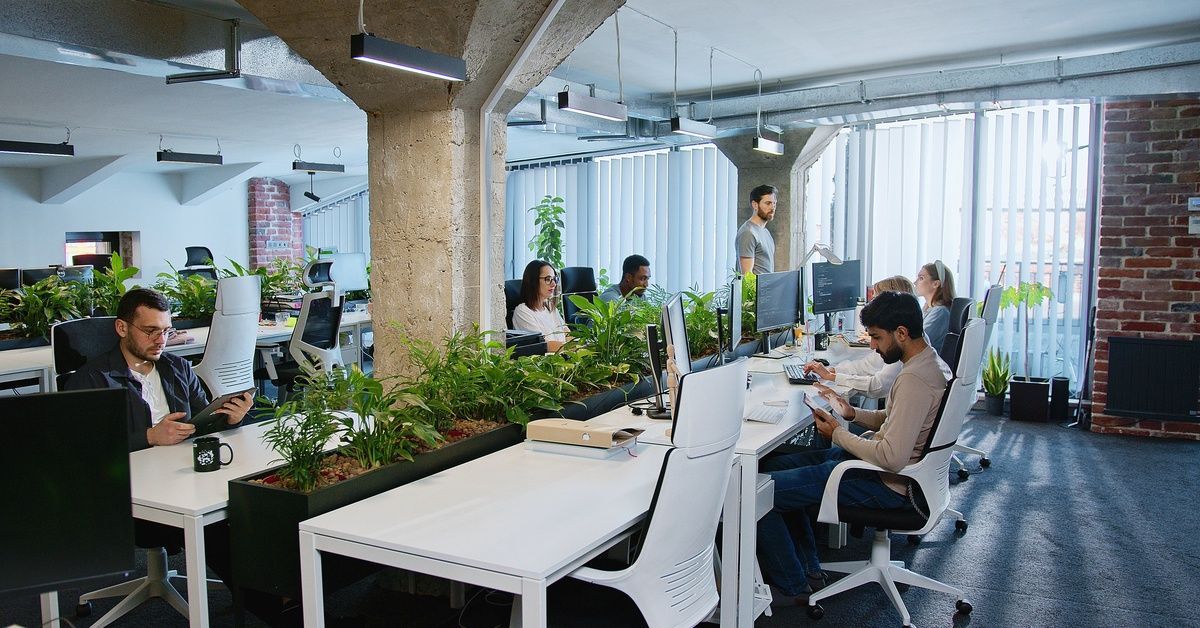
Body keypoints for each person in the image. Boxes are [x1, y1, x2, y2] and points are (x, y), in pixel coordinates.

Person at [757, 291, 951, 604]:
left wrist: (837, 434)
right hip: (888, 471)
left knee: (757, 494)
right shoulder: (929, 364)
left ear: (901, 333)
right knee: (773, 469)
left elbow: (891, 457)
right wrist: (851, 414)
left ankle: (791, 586)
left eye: (876, 337)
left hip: (887, 484)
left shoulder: (915, 379)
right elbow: (893, 419)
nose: (872, 345)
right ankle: (810, 569)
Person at [65, 287, 253, 451]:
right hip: (130, 477)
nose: (161, 340)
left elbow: (202, 425)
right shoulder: (92, 380)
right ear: (122, 328)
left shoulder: (179, 368)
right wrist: (150, 436)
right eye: (150, 331)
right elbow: (83, 444)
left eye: (166, 331)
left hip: (180, 466)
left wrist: (231, 420)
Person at [802, 276, 915, 398]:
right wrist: (833, 370)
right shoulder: (896, 338)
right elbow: (867, 366)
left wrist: (832, 377)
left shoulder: (902, 345)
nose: (871, 304)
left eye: (875, 300)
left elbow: (879, 386)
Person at [511, 259, 570, 352]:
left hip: (564, 359)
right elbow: (543, 345)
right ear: (533, 281)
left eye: (554, 279)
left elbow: (567, 334)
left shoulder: (550, 307)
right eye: (548, 279)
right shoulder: (523, 311)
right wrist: (572, 349)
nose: (554, 284)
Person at [915, 259, 956, 356]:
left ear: (936, 284)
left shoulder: (940, 312)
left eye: (921, 278)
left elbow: (918, 342)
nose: (915, 282)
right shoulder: (929, 309)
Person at [736, 184, 778, 275]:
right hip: (757, 289)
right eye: (768, 203)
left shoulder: (765, 232)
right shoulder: (748, 233)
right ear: (755, 205)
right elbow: (747, 276)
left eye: (774, 203)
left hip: (768, 288)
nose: (772, 207)